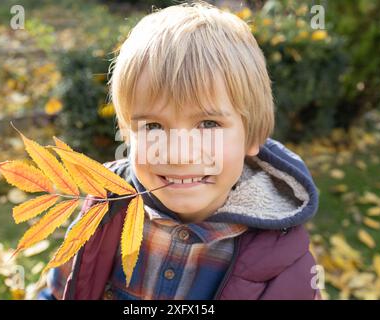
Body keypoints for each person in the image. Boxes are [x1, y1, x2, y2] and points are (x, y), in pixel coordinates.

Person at [38, 1, 321, 300]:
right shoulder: (104, 212)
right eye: (154, 127)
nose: (178, 154)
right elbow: (59, 293)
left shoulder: (282, 257)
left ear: (253, 135)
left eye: (208, 124)